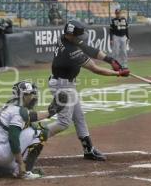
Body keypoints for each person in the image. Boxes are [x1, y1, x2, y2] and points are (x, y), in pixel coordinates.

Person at [47, 20, 130, 161]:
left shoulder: (66, 38)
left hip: (66, 84)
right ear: (71, 35)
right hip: (62, 86)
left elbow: (89, 49)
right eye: (78, 35)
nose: (81, 38)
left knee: (79, 117)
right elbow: (95, 69)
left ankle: (88, 149)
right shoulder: (71, 51)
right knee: (63, 123)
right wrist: (118, 73)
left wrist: (110, 60)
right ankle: (33, 137)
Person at [0, 81, 67, 179]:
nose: (34, 97)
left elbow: (31, 117)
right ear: (23, 95)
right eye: (31, 94)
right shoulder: (18, 111)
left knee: (11, 168)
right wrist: (20, 163)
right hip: (0, 154)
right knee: (41, 133)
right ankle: (26, 171)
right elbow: (13, 138)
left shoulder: (9, 107)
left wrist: (51, 112)